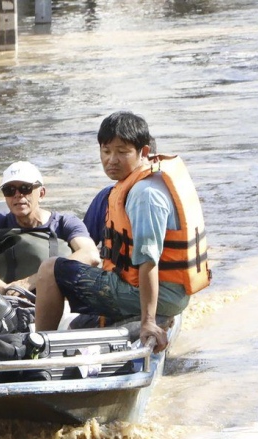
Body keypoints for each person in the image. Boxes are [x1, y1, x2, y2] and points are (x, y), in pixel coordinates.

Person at [34, 112, 211, 351]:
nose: (111, 160)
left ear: (144, 152)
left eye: (122, 152)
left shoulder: (144, 194)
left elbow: (149, 260)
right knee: (79, 318)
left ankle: (37, 349)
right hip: (167, 292)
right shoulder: (143, 182)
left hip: (153, 294)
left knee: (49, 269)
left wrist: (148, 321)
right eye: (106, 152)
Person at [0, 161, 99, 295]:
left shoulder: (65, 222)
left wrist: (29, 282)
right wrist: (5, 289)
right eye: (9, 190)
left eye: (25, 188)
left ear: (41, 193)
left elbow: (90, 255)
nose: (17, 194)